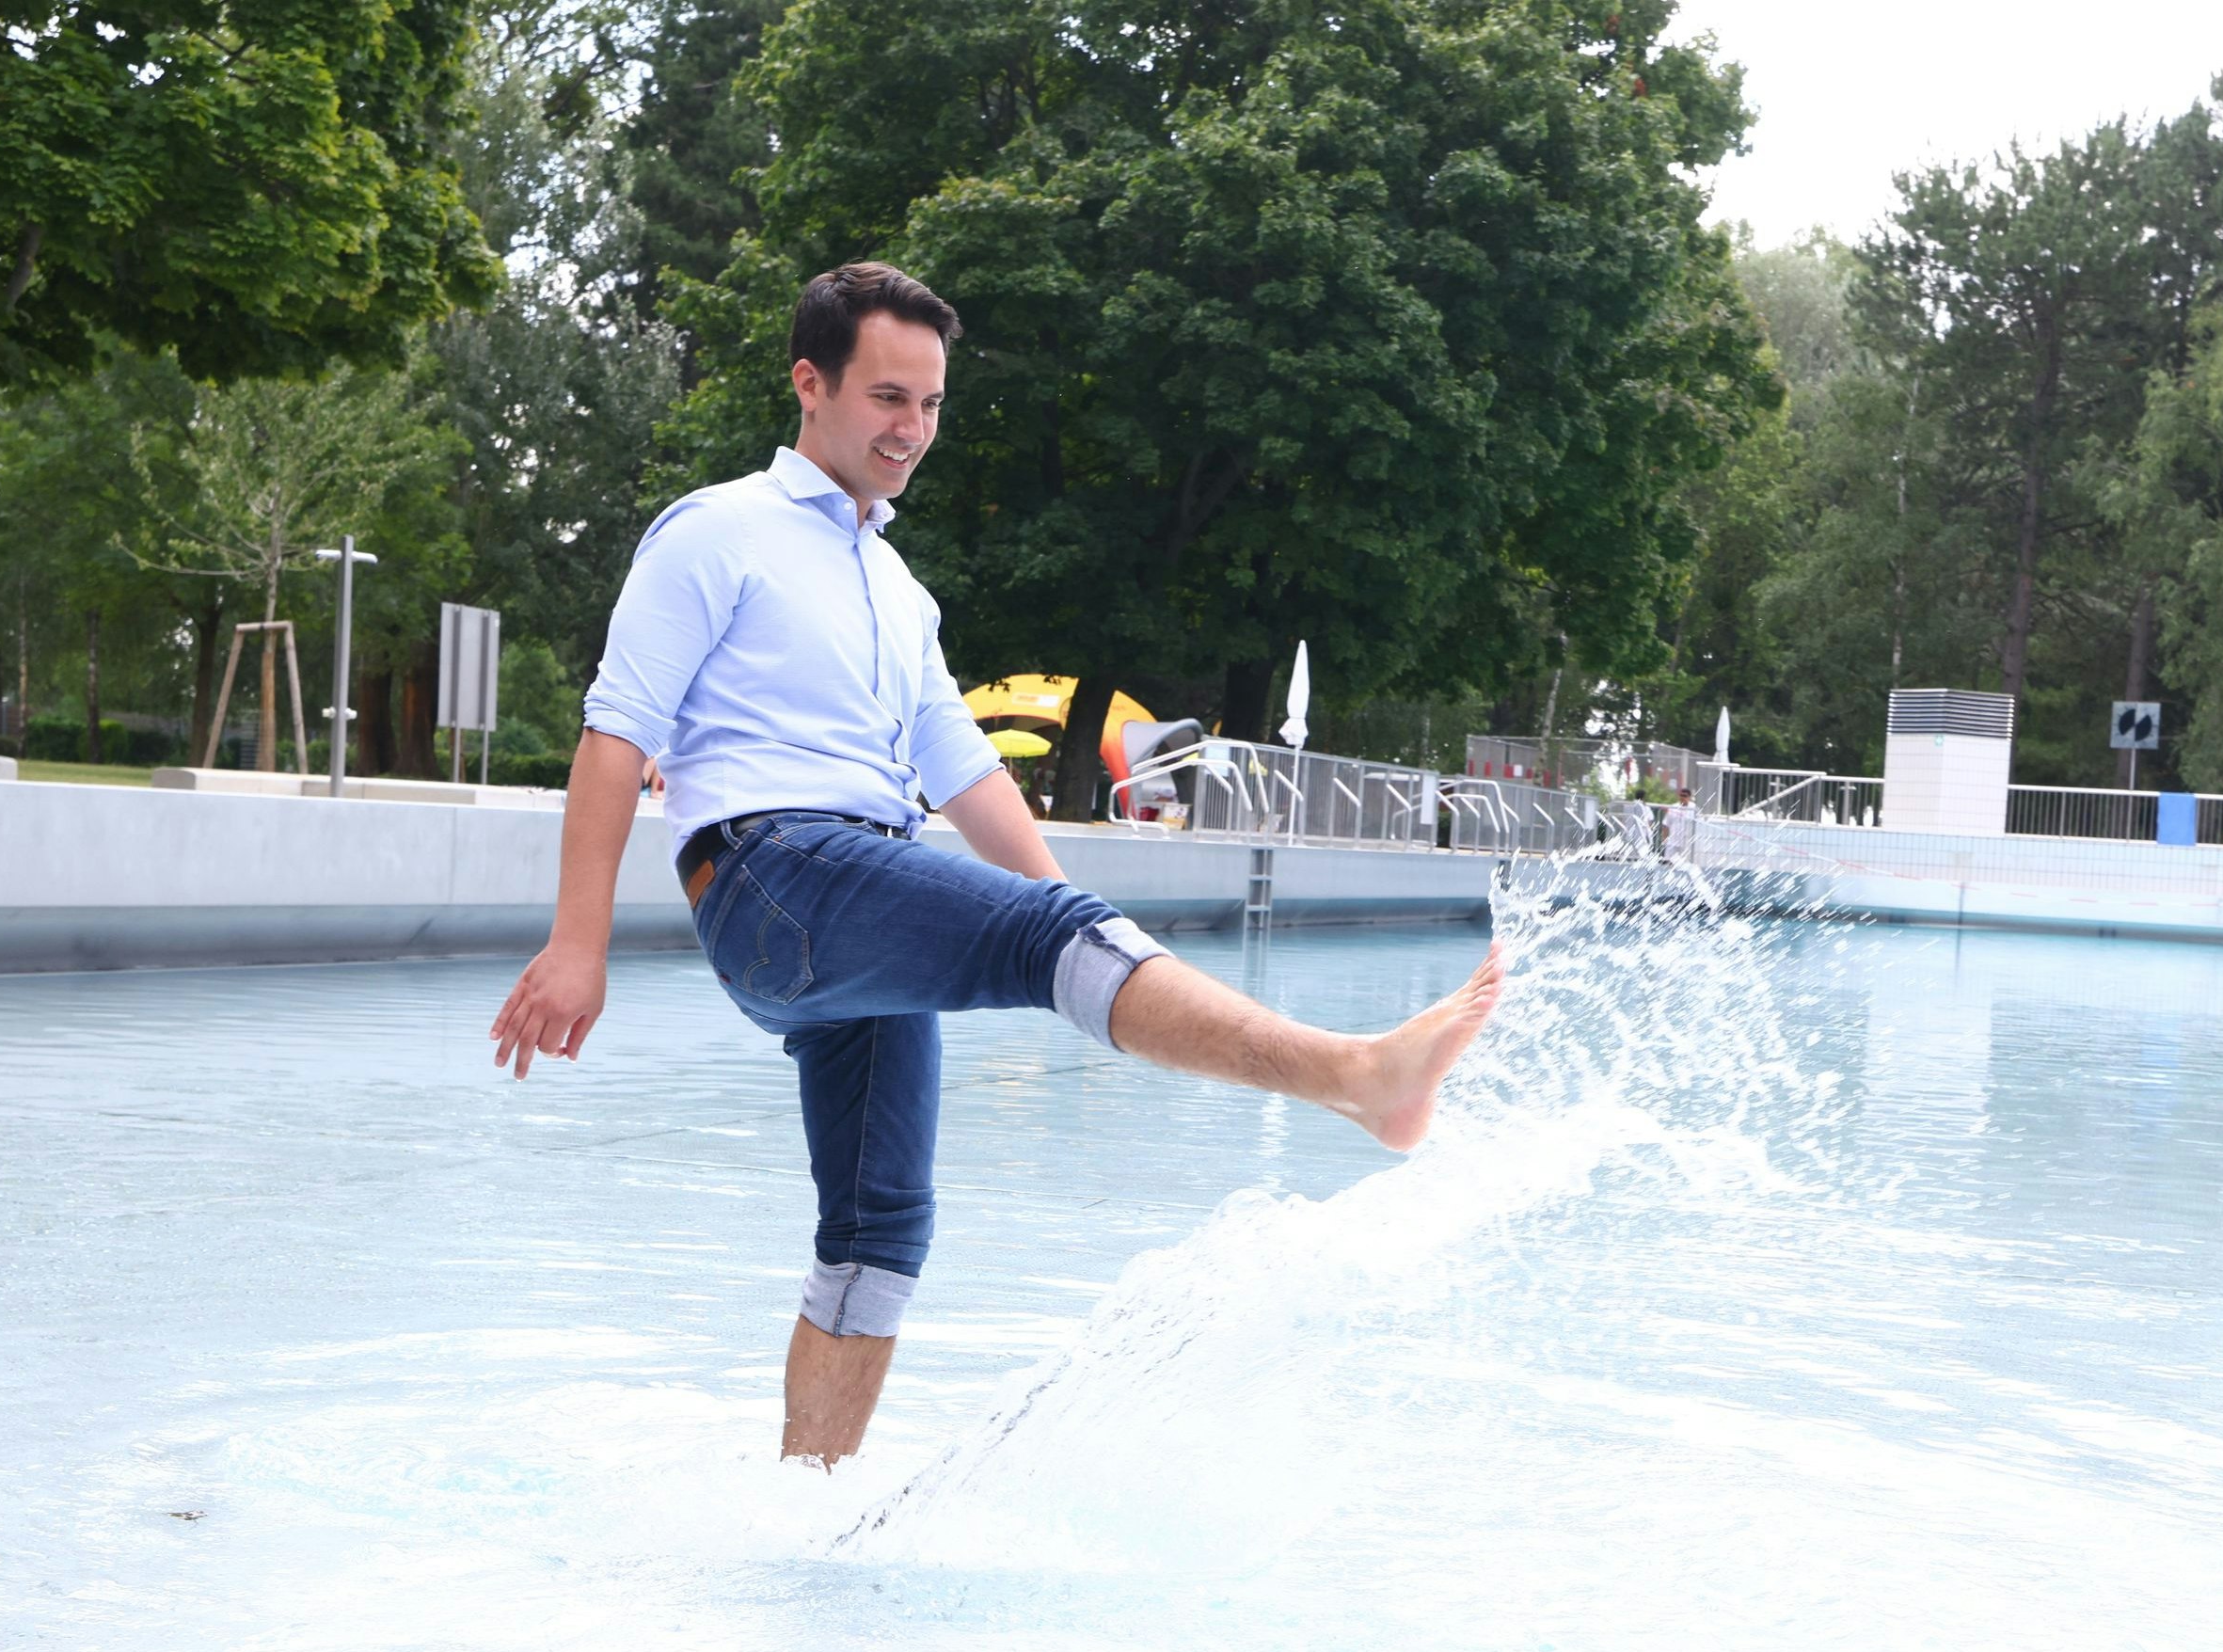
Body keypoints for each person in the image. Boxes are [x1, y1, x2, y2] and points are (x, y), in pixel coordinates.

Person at [488, 262, 1501, 1467]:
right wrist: (577, 944)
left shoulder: (897, 590)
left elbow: (966, 778)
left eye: (928, 404)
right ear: (809, 385)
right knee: (1044, 936)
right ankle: (1355, 1076)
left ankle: (808, 1511)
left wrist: (1092, 938)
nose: (910, 429)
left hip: (858, 895)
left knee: (879, 1231)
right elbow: (616, 737)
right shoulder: (714, 532)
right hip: (772, 878)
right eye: (884, 397)